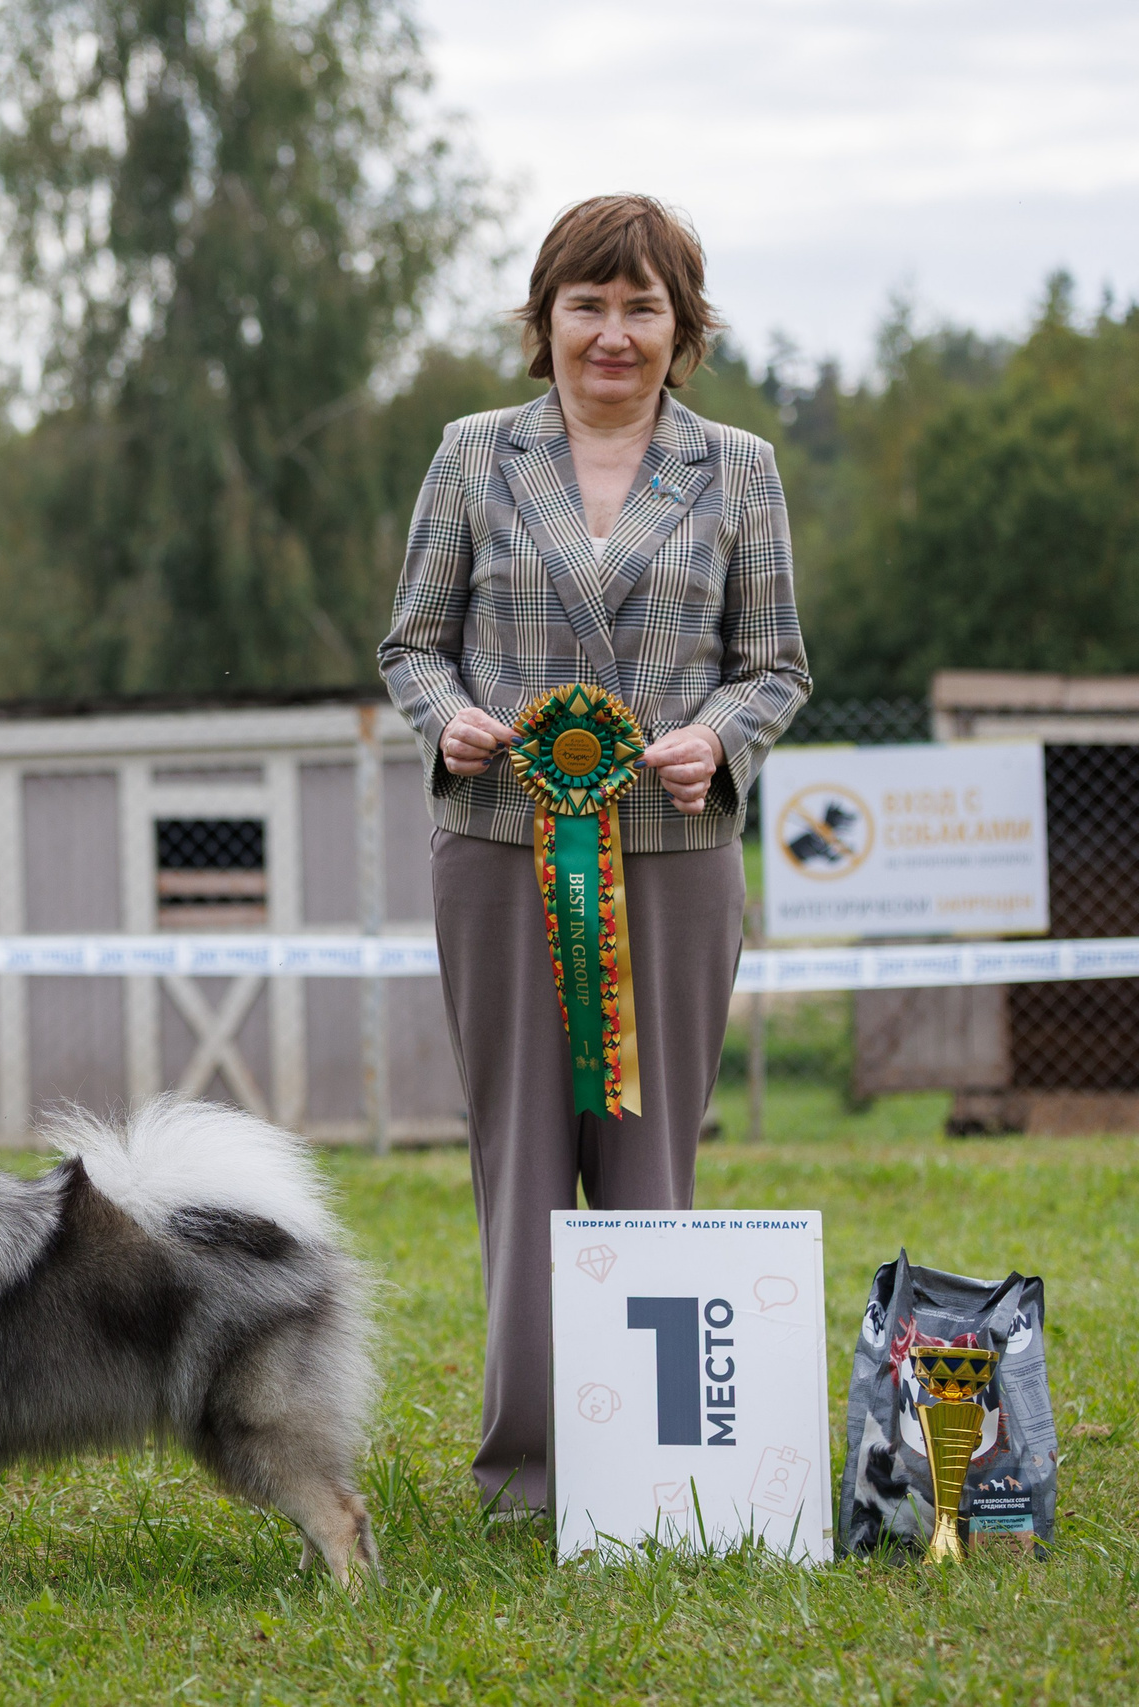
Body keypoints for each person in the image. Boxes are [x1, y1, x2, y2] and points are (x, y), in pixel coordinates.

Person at [377, 195, 811, 1517]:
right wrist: (446, 716)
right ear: (544, 319)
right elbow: (412, 642)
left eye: (642, 307)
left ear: (682, 330)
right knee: (518, 1150)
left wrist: (718, 737)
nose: (612, 333)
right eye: (588, 304)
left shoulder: (737, 468)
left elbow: (777, 663)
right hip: (500, 848)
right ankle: (529, 1467)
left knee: (648, 1148)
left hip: (675, 857)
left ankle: (651, 1462)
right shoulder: (470, 456)